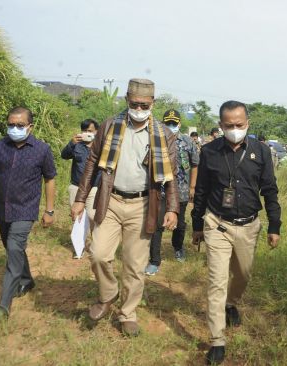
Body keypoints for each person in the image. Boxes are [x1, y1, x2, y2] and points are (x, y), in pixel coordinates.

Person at [70, 78, 179, 337]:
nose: (139, 109)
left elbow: (172, 176)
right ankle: (109, 293)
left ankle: (128, 313)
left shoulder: (164, 134)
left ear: (153, 102)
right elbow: (92, 162)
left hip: (143, 205)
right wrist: (79, 198)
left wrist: (173, 208)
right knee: (98, 254)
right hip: (111, 201)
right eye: (134, 104)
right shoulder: (110, 125)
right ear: (127, 99)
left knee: (133, 265)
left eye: (144, 104)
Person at [191, 100, 281, 364]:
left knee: (243, 274)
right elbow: (202, 192)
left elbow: (270, 191)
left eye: (239, 125)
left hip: (249, 225)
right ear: (220, 125)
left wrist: (274, 225)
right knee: (216, 281)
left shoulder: (261, 152)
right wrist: (197, 224)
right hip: (217, 223)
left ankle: (232, 303)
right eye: (229, 125)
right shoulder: (209, 152)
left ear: (247, 123)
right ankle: (217, 340)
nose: (234, 129)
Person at [0, 106, 57, 326]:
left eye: (20, 125)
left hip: (26, 210)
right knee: (13, 248)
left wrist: (49, 210)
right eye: (11, 124)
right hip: (2, 209)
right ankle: (28, 280)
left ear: (30, 126)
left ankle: (4, 304)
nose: (15, 128)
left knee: (13, 250)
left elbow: (50, 179)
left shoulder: (41, 150)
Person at [145, 109, 199, 275]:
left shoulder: (187, 142)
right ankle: (154, 260)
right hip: (159, 190)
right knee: (157, 225)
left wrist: (192, 187)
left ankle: (178, 247)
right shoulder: (155, 140)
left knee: (180, 224)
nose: (170, 126)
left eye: (173, 124)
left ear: (179, 124)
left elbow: (195, 164)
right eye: (167, 123)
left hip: (181, 191)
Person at [61, 118, 100, 258]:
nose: (86, 133)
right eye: (84, 130)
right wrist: (71, 143)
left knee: (93, 216)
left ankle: (97, 247)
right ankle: (79, 248)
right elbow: (64, 155)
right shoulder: (77, 145)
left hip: (94, 187)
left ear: (97, 131)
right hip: (76, 187)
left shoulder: (100, 146)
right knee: (77, 218)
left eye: (90, 131)